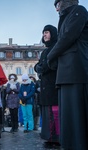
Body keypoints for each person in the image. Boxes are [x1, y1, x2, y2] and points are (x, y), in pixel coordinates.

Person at [47, 1, 88, 149]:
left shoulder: (79, 11)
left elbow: (68, 37)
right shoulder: (64, 18)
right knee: (68, 116)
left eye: (57, 4)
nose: (56, 9)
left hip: (76, 71)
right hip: (65, 73)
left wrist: (50, 55)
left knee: (77, 116)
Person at [34, 25, 59, 148]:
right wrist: (37, 68)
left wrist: (42, 67)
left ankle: (57, 136)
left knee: (55, 111)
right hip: (45, 85)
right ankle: (49, 136)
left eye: (47, 32)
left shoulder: (57, 47)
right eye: (43, 32)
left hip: (53, 84)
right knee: (47, 111)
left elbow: (51, 64)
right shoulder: (44, 51)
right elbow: (38, 65)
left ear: (53, 33)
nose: (44, 35)